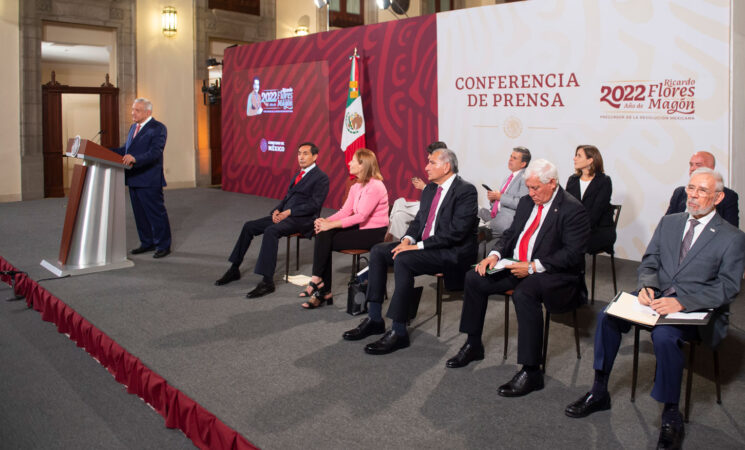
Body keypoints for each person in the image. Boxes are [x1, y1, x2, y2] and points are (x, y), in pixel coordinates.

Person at [565, 168, 745, 450]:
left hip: (696, 307)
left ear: (718, 197)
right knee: (608, 316)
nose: (693, 196)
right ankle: (599, 390)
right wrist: (647, 285)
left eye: (702, 191)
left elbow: (728, 286)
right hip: (656, 295)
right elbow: (650, 260)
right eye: (690, 188)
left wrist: (683, 302)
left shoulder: (731, 237)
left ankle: (671, 413)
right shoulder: (670, 222)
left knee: (664, 336)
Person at [445, 159, 590, 399]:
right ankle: (473, 344)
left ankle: (531, 370)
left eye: (535, 188)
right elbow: (512, 234)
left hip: (553, 272)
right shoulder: (527, 202)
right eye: (528, 187)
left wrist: (533, 267)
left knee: (525, 293)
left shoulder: (572, 209)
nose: (530, 193)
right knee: (474, 277)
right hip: (517, 264)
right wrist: (494, 255)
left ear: (552, 183)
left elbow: (572, 254)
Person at [342, 148, 479, 354]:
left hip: (450, 252)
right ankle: (374, 318)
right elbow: (419, 222)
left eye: (431, 162)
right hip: (423, 246)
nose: (426, 167)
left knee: (404, 259)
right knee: (379, 251)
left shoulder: (466, 191)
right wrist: (407, 239)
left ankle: (399, 331)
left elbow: (456, 234)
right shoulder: (431, 189)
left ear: (446, 166)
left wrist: (417, 246)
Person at [214, 142, 329, 298]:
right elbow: (288, 197)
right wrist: (277, 210)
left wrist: (289, 212)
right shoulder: (298, 174)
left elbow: (314, 205)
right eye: (299, 153)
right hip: (285, 215)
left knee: (271, 231)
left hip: (303, 220)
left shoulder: (321, 178)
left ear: (315, 156)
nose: (301, 157)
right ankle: (234, 268)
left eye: (305, 154)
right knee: (249, 226)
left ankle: (267, 282)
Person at [300, 148, 389, 308]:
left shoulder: (376, 186)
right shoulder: (356, 186)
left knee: (324, 240)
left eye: (353, 160)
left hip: (374, 233)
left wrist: (330, 224)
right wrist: (325, 221)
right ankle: (320, 284)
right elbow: (345, 211)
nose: (349, 163)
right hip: (359, 228)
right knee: (323, 234)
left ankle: (320, 288)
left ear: (363, 165)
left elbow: (361, 216)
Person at [111, 98, 172, 259]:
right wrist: (105, 151)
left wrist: (135, 159)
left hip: (149, 179)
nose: (133, 113)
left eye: (137, 110)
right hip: (133, 178)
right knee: (140, 214)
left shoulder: (158, 128)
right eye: (132, 109)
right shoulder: (133, 127)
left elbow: (155, 152)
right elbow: (126, 150)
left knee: (155, 214)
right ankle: (147, 242)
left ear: (148, 112)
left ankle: (163, 245)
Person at [386, 141, 448, 241]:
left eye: (431, 162)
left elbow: (440, 196)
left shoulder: (448, 175)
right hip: (426, 205)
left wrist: (423, 187)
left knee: (399, 204)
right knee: (399, 215)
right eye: (429, 161)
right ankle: (404, 243)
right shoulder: (433, 177)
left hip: (435, 210)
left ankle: (389, 233)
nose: (427, 167)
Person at [665, 151, 739, 227]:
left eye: (698, 165)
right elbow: (666, 224)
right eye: (691, 165)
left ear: (711, 168)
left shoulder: (728, 197)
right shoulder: (679, 192)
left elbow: (731, 231)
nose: (692, 168)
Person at [565, 145, 616, 254]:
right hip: (575, 228)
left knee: (570, 241)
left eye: (579, 156)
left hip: (597, 230)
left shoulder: (604, 181)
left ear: (590, 160)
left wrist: (576, 227)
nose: (574, 158)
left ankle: (573, 270)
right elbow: (566, 206)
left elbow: (596, 211)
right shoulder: (572, 180)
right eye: (575, 155)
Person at [477, 146, 531, 246]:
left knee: (477, 232)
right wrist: (493, 199)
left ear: (523, 164)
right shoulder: (508, 177)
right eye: (511, 156)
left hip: (507, 220)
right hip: (496, 215)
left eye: (515, 158)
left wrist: (500, 197)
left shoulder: (525, 178)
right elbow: (499, 202)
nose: (510, 159)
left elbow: (522, 203)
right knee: (473, 207)